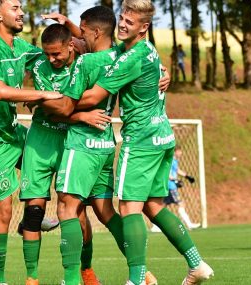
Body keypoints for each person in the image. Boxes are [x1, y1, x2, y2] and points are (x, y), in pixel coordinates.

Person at [75, 1, 214, 284]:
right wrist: (71, 26)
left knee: (129, 208)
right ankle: (197, 265)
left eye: (130, 21)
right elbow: (99, 41)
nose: (123, 24)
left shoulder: (130, 59)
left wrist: (51, 101)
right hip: (162, 136)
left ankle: (137, 280)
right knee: (154, 205)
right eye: (122, 18)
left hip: (141, 141)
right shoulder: (147, 51)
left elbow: (91, 98)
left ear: (144, 27)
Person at [0, 1, 63, 285]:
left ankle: (30, 218)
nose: (21, 12)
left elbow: (62, 51)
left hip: (12, 132)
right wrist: (42, 95)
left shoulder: (21, 47)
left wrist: (66, 25)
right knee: (2, 211)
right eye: (15, 7)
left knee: (49, 161)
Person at [18, 23, 103, 285]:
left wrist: (160, 70)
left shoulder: (87, 63)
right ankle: (32, 278)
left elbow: (120, 54)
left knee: (76, 212)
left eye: (56, 54)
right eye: (47, 54)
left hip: (73, 140)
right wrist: (81, 114)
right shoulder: (40, 67)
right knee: (33, 211)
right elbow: (57, 109)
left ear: (70, 46)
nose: (51, 59)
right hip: (42, 138)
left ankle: (84, 270)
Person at [158, 145, 200, 231]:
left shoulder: (175, 161)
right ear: (175, 152)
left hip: (169, 186)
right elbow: (167, 173)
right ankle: (189, 224)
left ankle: (156, 227)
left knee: (162, 206)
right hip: (171, 186)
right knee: (181, 204)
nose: (181, 153)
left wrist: (187, 176)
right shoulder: (170, 160)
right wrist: (176, 180)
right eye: (179, 151)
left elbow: (176, 170)